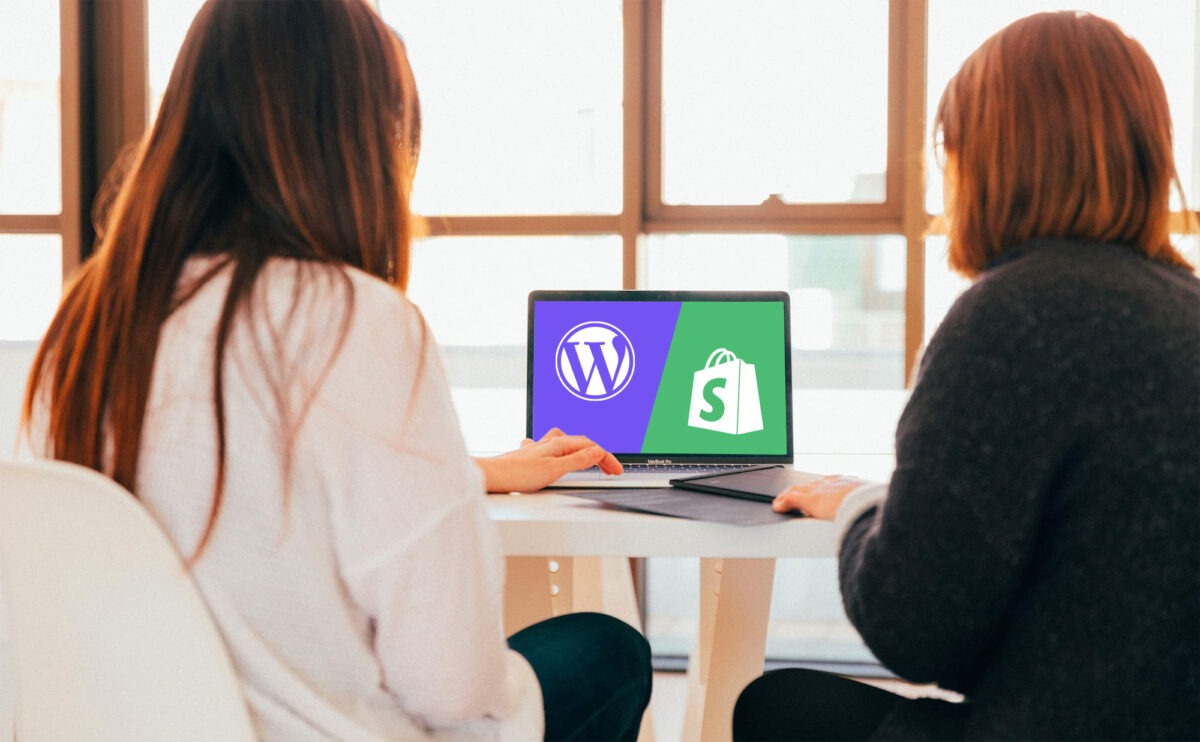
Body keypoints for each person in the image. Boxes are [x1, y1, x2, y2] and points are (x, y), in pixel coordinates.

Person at [21, 1, 651, 740]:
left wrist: (465, 469)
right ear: (361, 141)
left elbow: (240, 484)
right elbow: (453, 687)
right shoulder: (357, 321)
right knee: (607, 650)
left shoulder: (88, 322)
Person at [735, 11, 1199, 742]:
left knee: (773, 707)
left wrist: (860, 508)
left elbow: (915, 633)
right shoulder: (1185, 304)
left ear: (988, 158)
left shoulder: (1012, 316)